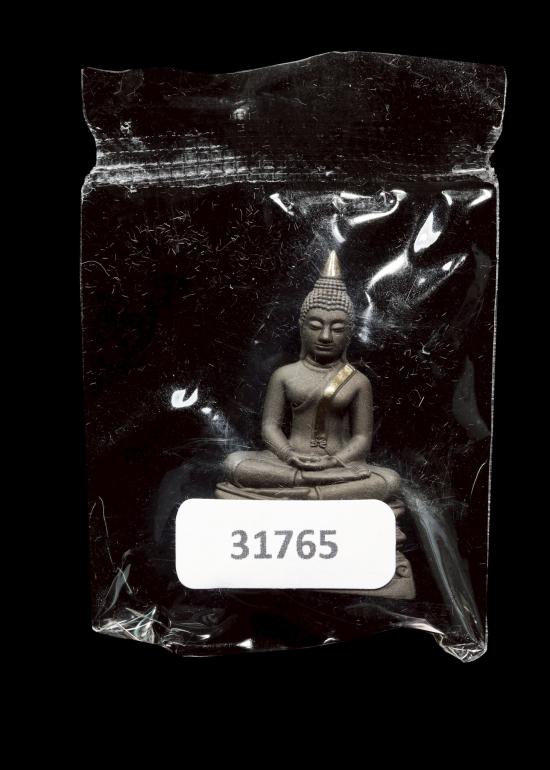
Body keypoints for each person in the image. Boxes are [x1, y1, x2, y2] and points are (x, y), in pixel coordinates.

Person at [215, 251, 401, 502]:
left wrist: (333, 461)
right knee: (235, 463)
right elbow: (270, 427)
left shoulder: (357, 381)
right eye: (315, 326)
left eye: (337, 329)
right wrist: (289, 454)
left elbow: (362, 438)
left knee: (389, 480)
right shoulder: (284, 374)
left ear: (349, 334)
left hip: (338, 465)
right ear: (302, 328)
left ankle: (304, 492)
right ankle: (313, 490)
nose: (325, 336)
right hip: (288, 461)